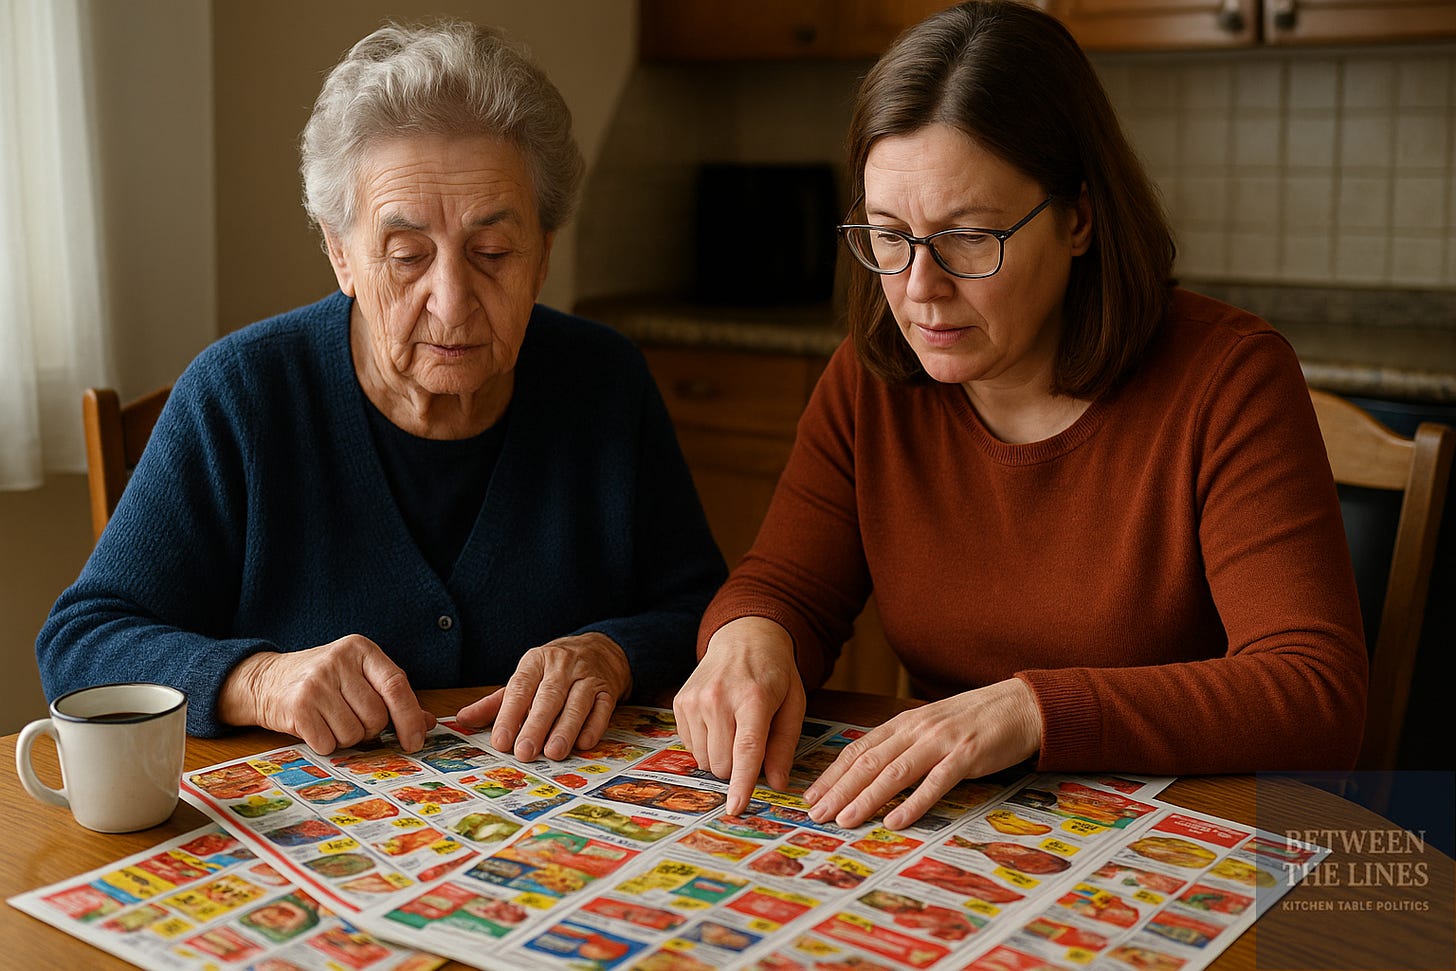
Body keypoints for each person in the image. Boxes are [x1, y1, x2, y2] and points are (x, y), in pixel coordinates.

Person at [673, 0, 1366, 830]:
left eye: (969, 236)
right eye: (887, 236)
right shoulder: (870, 380)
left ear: (1078, 218)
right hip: (953, 830)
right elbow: (789, 586)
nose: (918, 289)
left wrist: (1032, 710)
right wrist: (750, 633)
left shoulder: (1229, 379)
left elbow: (1314, 693)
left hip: (1180, 837)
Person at [36, 20, 725, 761]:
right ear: (342, 255)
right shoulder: (242, 396)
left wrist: (611, 652)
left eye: (492, 253)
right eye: (406, 255)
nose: (452, 300)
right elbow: (83, 639)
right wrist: (262, 678)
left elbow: (704, 611)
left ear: (544, 253)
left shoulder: (606, 382)